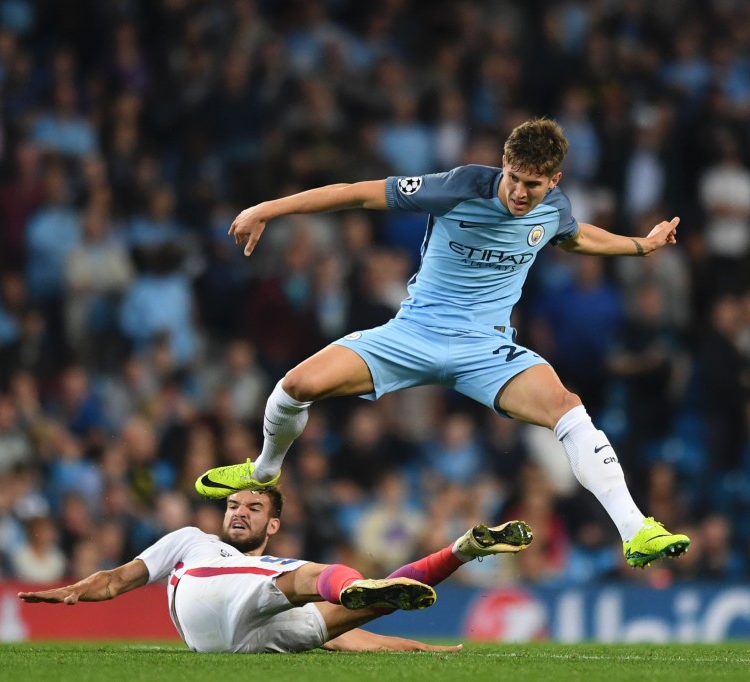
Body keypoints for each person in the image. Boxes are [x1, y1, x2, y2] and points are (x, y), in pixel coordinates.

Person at [195, 118, 690, 569]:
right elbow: (356, 193)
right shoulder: (458, 187)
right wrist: (267, 209)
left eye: (533, 184)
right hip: (414, 334)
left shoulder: (554, 210)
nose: (519, 192)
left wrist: (640, 245)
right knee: (294, 386)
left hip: (486, 349)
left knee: (568, 408)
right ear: (504, 163)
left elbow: (576, 236)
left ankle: (635, 530)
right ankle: (264, 471)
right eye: (514, 178)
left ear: (554, 181)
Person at [19, 488, 533, 653]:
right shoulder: (193, 542)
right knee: (319, 579)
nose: (238, 512)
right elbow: (115, 580)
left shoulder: (265, 564)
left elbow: (352, 643)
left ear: (274, 524)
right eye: (232, 506)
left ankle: (463, 550)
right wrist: (73, 591)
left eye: (253, 508)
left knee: (359, 612)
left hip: (244, 640)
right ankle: (354, 582)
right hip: (205, 594)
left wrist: (427, 651)